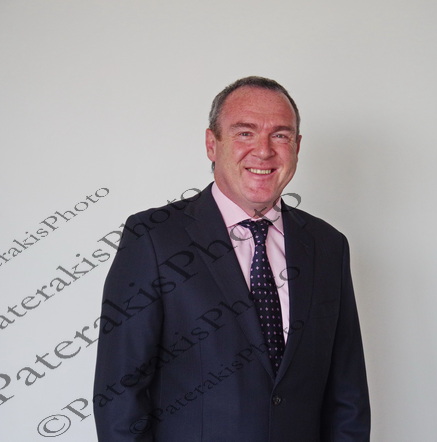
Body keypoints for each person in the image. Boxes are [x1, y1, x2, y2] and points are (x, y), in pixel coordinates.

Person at [93, 76, 370, 441]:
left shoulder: (328, 245)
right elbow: (120, 393)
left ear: (297, 147)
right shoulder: (154, 238)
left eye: (280, 135)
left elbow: (348, 393)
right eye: (244, 133)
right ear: (212, 144)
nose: (264, 151)